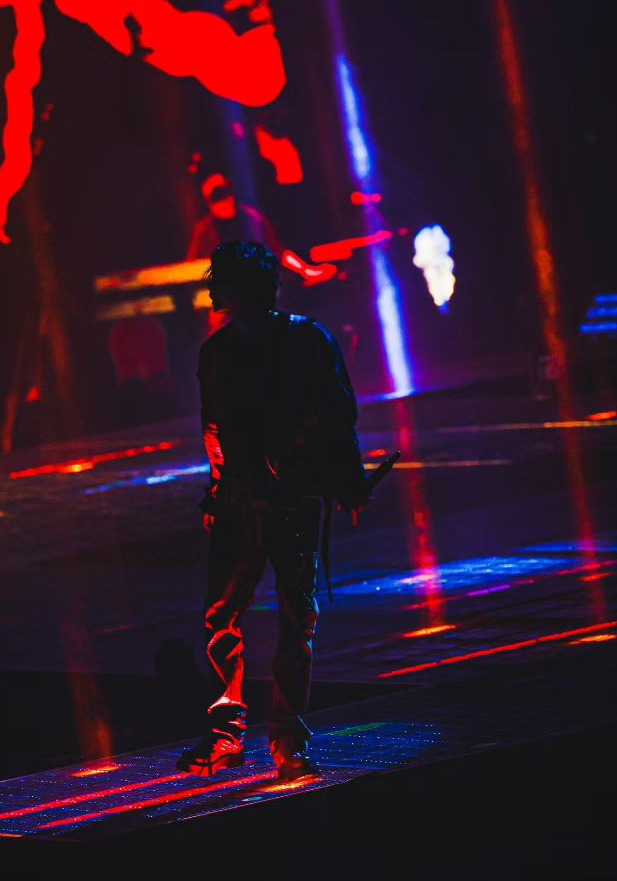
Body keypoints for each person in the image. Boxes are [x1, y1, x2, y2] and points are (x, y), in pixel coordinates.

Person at [177, 241, 370, 782]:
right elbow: (214, 425)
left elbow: (337, 415)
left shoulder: (304, 340)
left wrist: (348, 480)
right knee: (225, 615)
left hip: (290, 500)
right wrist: (218, 490)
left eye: (221, 279)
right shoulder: (219, 352)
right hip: (242, 501)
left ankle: (284, 740)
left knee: (292, 616)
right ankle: (231, 735)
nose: (212, 290)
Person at [185, 173, 284, 262]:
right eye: (217, 196)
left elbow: (277, 252)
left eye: (225, 192)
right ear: (208, 204)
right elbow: (193, 266)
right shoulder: (203, 230)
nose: (225, 200)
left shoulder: (253, 219)